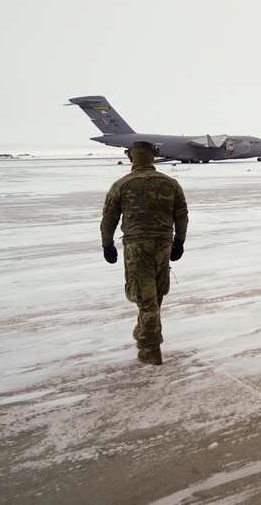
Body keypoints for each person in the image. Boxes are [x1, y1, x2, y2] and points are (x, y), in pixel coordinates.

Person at [101, 140, 188, 366]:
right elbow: (182, 216)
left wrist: (107, 245)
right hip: (162, 244)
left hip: (137, 246)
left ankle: (150, 349)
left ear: (132, 157)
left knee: (145, 297)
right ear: (153, 156)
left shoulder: (122, 184)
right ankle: (143, 330)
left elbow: (109, 219)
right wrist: (179, 242)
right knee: (154, 294)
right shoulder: (170, 184)